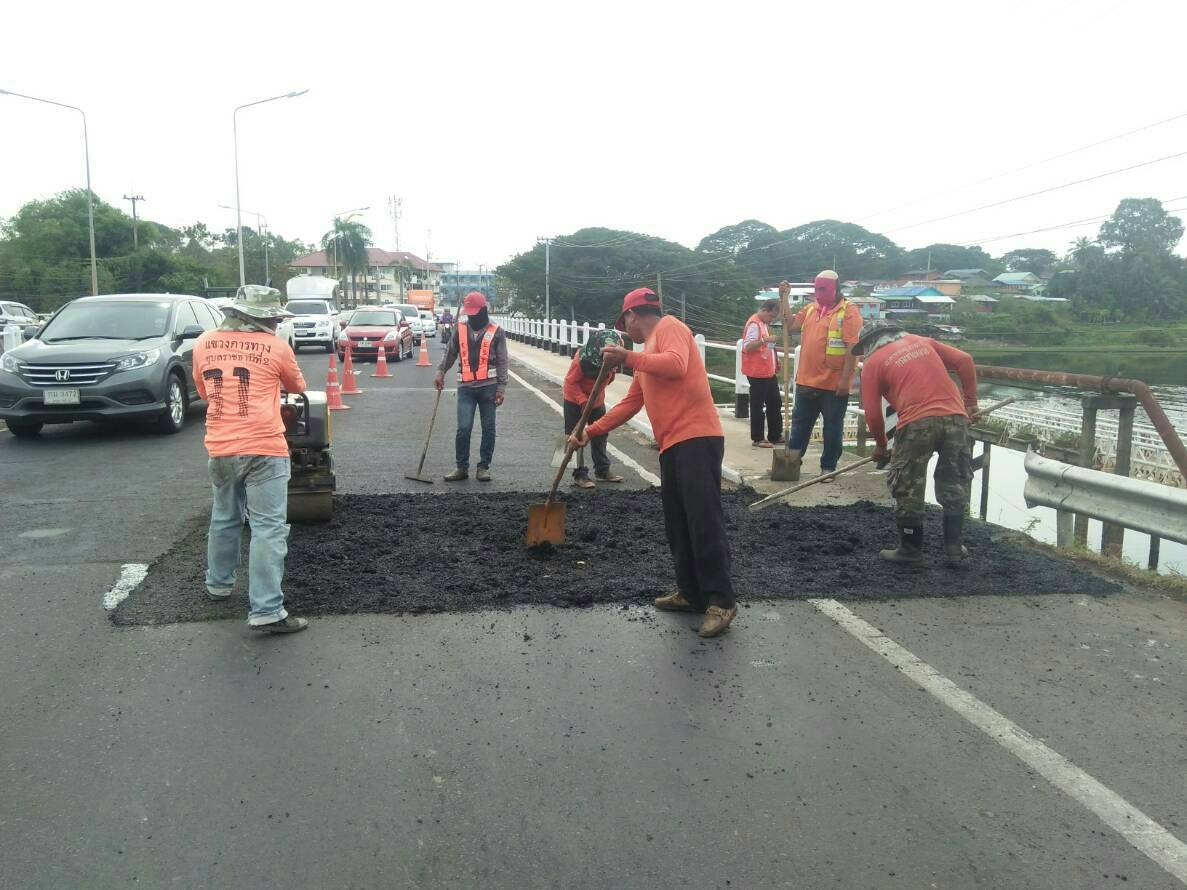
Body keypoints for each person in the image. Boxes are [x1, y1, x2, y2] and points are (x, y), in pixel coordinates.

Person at [570, 287, 737, 638]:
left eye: (624, 322)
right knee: (678, 523)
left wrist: (627, 358)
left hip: (697, 438)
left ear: (633, 315)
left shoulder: (670, 327)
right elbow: (630, 404)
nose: (625, 330)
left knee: (703, 521)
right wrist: (589, 430)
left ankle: (721, 601)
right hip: (671, 444)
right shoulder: (646, 356)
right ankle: (690, 593)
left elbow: (676, 365)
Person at [194, 285, 309, 634]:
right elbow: (298, 387)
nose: (276, 323)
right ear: (261, 318)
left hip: (221, 446)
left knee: (224, 517)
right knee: (268, 528)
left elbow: (203, 390)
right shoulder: (276, 346)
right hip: (264, 447)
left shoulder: (204, 342)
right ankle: (267, 610)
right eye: (274, 318)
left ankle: (218, 584)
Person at [853, 322, 979, 566]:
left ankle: (910, 550)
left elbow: (872, 413)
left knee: (908, 485)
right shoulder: (923, 341)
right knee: (954, 481)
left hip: (916, 424)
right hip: (956, 418)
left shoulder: (873, 363)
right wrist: (971, 402)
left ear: (868, 344)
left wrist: (881, 446)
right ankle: (954, 548)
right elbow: (964, 360)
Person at [781, 271, 863, 478]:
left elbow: (853, 349)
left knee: (832, 427)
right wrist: (784, 298)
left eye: (823, 289)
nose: (818, 293)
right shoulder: (811, 308)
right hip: (806, 380)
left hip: (833, 384)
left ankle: (828, 468)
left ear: (835, 289)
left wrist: (846, 381)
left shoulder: (849, 312)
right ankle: (791, 464)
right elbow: (790, 326)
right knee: (800, 426)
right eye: (816, 289)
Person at [435, 291, 507, 482]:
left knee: (488, 428)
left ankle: (483, 467)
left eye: (475, 312)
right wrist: (441, 372)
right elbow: (450, 353)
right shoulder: (460, 329)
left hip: (489, 387)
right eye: (470, 313)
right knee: (463, 428)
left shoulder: (496, 331)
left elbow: (502, 361)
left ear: (483, 310)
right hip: (466, 387)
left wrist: (501, 388)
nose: (472, 316)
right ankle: (461, 467)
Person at [563, 329, 626, 489]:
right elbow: (570, 382)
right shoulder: (581, 359)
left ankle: (602, 470)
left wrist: (595, 398)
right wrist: (583, 400)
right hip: (574, 401)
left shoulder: (614, 356)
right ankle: (580, 475)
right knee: (575, 437)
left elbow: (609, 379)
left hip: (597, 401)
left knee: (600, 433)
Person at [741, 298, 784, 448]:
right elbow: (748, 346)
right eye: (771, 316)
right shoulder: (754, 324)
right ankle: (758, 437)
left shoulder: (763, 323)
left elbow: (767, 347)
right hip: (757, 372)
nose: (772, 320)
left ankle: (775, 435)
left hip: (767, 371)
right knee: (758, 405)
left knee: (775, 402)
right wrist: (764, 340)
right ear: (765, 310)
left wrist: (776, 359)